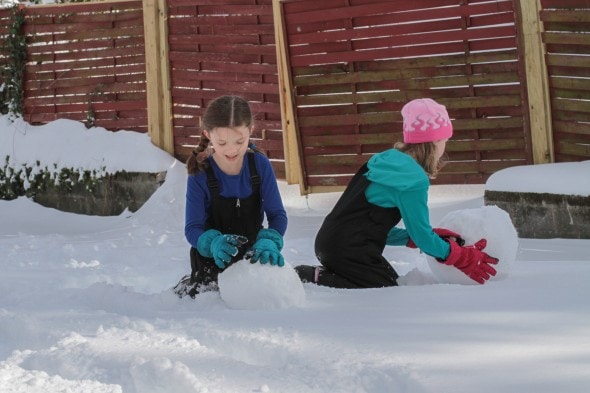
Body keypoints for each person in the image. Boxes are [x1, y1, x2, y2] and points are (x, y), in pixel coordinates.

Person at [295, 98, 498, 288]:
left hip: (330, 241)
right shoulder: (413, 180)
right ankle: (311, 277)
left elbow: (368, 224)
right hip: (350, 250)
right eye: (445, 139)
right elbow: (424, 239)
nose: (445, 146)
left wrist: (410, 237)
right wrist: (460, 257)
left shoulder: (383, 162)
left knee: (390, 281)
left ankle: (319, 274)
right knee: (386, 290)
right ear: (435, 140)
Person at [173, 95, 288, 298]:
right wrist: (212, 244)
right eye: (222, 142)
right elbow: (192, 229)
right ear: (208, 135)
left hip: (252, 260)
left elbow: (277, 215)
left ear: (250, 132)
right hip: (211, 266)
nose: (232, 149)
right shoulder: (200, 174)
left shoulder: (260, 166)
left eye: (239, 141)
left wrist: (270, 240)